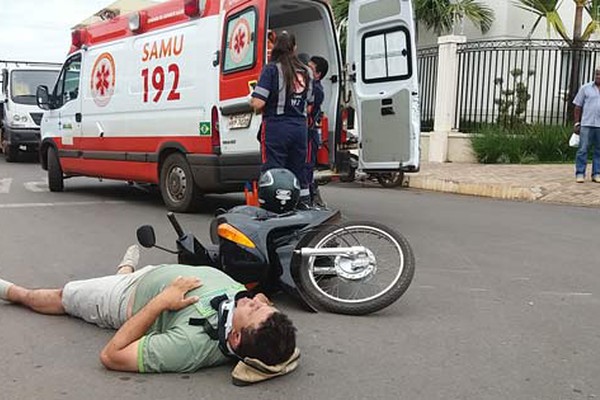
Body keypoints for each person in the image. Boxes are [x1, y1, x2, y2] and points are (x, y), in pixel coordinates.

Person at [0, 245, 298, 379]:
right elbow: (282, 349)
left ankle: (12, 292)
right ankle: (124, 268)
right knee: (121, 274)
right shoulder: (262, 332)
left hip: (124, 297)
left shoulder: (190, 346)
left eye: (255, 309)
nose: (257, 301)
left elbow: (111, 356)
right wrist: (262, 307)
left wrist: (161, 301)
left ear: (233, 339)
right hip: (154, 274)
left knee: (63, 296)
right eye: (263, 305)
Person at [250, 31, 313, 207]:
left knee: (273, 170)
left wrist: (251, 100)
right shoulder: (306, 71)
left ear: (276, 47)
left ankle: (272, 207)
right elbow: (309, 105)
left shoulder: (271, 69)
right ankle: (303, 205)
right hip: (300, 128)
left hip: (276, 127)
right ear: (294, 48)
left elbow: (258, 102)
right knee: (298, 168)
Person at [304, 55, 329, 208]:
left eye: (310, 69)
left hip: (309, 133)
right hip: (305, 132)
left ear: (318, 74)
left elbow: (308, 110)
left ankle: (311, 201)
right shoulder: (308, 85)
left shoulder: (317, 90)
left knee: (306, 167)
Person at [572, 67, 600, 183]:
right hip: (586, 124)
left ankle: (597, 173)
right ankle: (580, 173)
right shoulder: (585, 88)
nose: (598, 77)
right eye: (597, 74)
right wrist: (577, 123)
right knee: (582, 149)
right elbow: (578, 106)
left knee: (599, 150)